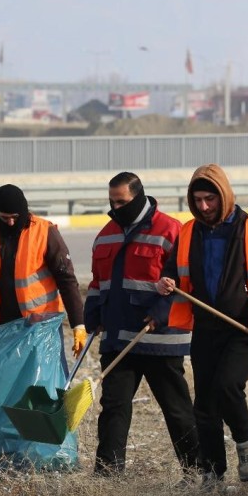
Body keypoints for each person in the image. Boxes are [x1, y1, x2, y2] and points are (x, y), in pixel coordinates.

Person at [155, 164, 248, 488]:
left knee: (229, 385)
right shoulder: (188, 231)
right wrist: (166, 283)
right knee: (205, 404)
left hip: (243, 328)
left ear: (223, 196)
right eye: (197, 200)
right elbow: (172, 271)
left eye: (209, 199)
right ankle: (213, 471)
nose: (203, 207)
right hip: (206, 327)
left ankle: (246, 444)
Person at [84, 172, 200, 477]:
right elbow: (98, 283)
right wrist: (92, 315)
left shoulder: (170, 230)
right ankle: (108, 474)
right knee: (113, 407)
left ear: (138, 197)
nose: (115, 207)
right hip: (119, 339)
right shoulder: (106, 234)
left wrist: (162, 311)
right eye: (111, 201)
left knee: (176, 409)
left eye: (121, 201)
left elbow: (186, 281)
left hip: (160, 337)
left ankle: (199, 470)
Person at [0, 183, 86, 357]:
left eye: (15, 217)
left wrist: (78, 324)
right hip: (3, 328)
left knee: (43, 382)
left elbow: (66, 280)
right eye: (5, 218)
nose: (11, 222)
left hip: (41, 328)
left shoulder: (44, 232)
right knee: (9, 381)